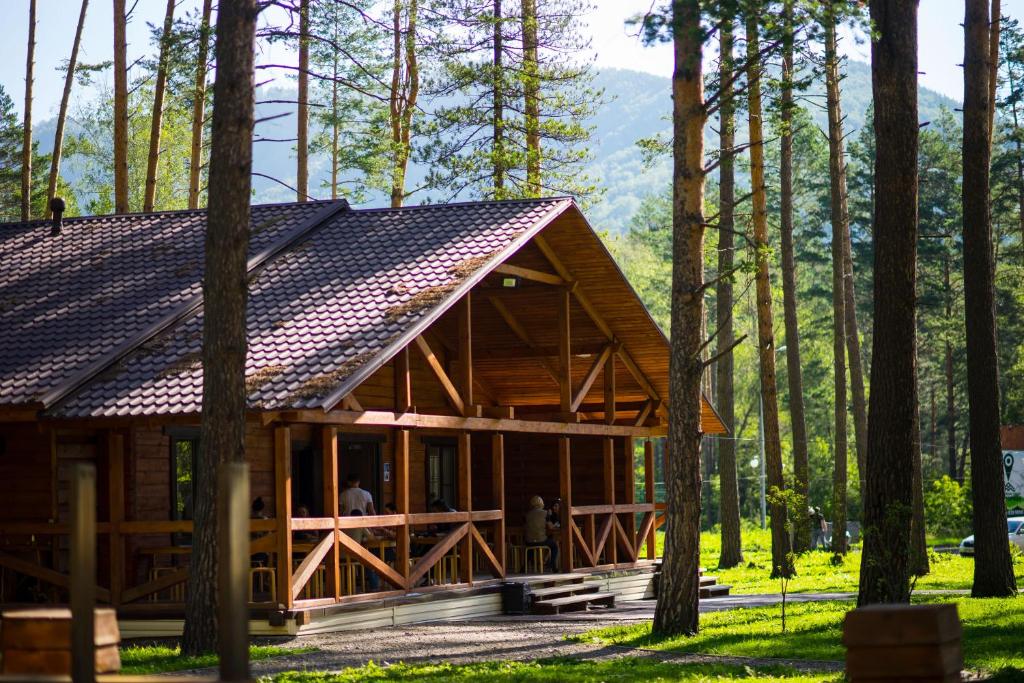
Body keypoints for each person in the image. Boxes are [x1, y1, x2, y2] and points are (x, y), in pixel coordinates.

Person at [345, 509, 380, 590]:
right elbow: (371, 538)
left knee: (363, 559)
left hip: (341, 555)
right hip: (353, 554)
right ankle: (374, 586)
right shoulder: (360, 525)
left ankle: (353, 584)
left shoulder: (344, 524)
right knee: (371, 561)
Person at [525, 495, 558, 572]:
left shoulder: (527, 514)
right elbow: (551, 527)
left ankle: (524, 566)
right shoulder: (545, 513)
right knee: (554, 546)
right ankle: (553, 565)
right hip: (541, 540)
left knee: (531, 546)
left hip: (529, 542)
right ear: (542, 503)